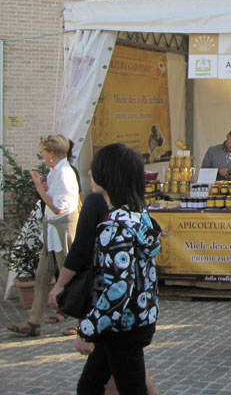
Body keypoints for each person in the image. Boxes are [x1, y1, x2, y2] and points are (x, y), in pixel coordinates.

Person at [73, 143, 161, 395]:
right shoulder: (138, 217)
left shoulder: (114, 227)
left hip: (122, 326)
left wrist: (87, 329)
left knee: (124, 388)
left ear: (109, 175)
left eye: (94, 169)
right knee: (89, 387)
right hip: (136, 319)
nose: (89, 173)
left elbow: (118, 287)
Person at [8, 134, 79, 337]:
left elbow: (58, 208)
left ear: (52, 154)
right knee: (41, 277)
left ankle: (85, 321)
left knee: (70, 277)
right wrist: (45, 190)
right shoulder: (54, 172)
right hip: (51, 229)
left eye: (44, 152)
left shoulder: (65, 173)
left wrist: (40, 189)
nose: (42, 155)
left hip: (63, 228)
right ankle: (34, 322)